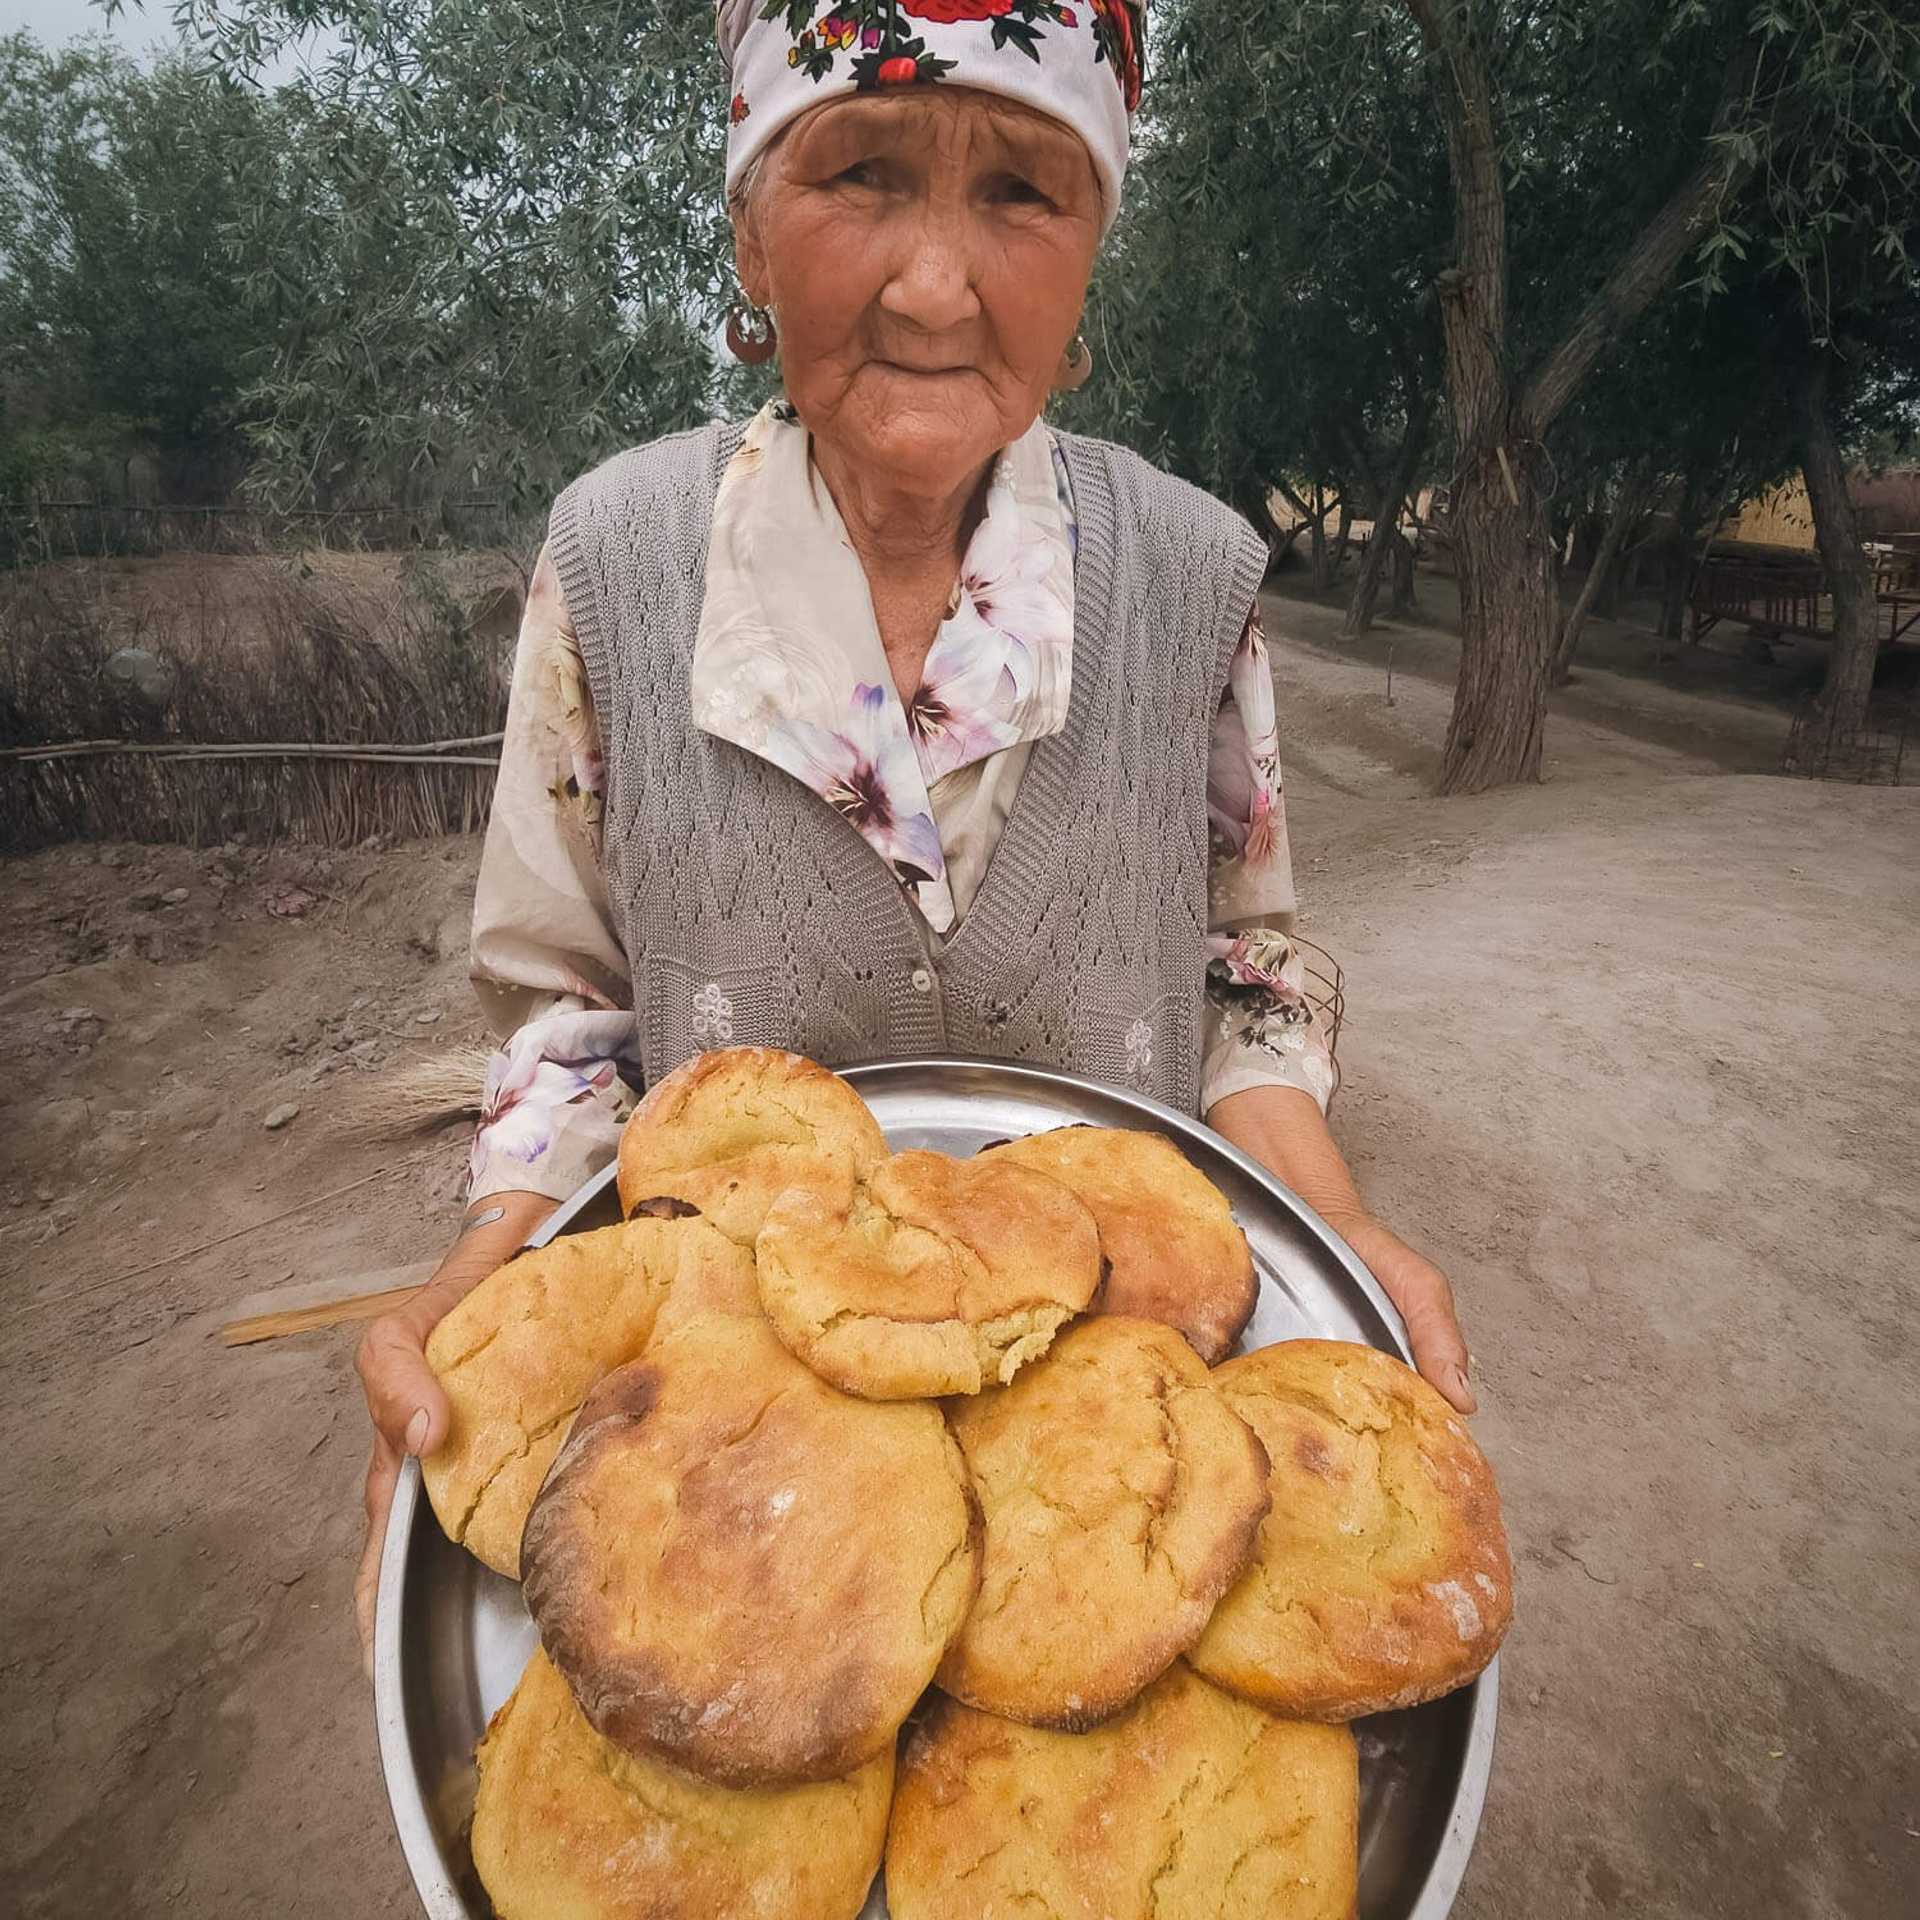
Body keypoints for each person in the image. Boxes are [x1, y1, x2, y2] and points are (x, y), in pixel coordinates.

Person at [353, 0, 1473, 1653]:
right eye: (861, 172)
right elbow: (570, 1021)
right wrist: (479, 1276)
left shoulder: (1190, 574)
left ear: (1090, 266)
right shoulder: (615, 562)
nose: (938, 286)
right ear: (747, 228)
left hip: (1107, 1435)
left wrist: (1344, 1226)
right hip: (748, 1469)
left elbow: (1246, 973)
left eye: (1025, 192)